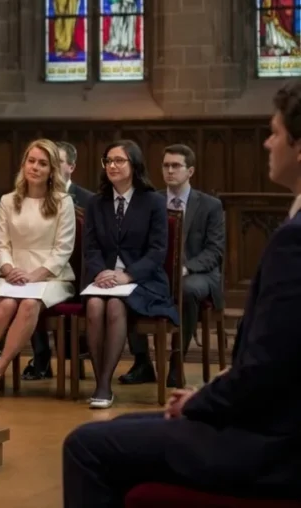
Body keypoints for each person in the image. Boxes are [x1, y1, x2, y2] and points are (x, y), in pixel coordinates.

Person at [62, 82, 301, 506]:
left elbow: (267, 368)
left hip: (274, 445)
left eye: (275, 132)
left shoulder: (293, 240)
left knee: (85, 446)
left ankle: (141, 374)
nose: (267, 142)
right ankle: (112, 378)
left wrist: (201, 403)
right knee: (120, 420)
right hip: (277, 421)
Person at [0, 139, 75, 397]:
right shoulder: (8, 201)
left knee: (30, 303)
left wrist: (35, 275)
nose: (35, 167)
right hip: (14, 274)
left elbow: (63, 249)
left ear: (52, 170)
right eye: (31, 161)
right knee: (7, 305)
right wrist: (9, 268)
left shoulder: (62, 201)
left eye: (42, 163)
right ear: (23, 165)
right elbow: (2, 244)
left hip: (52, 277)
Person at [82, 139, 177, 409]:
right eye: (108, 161)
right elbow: (90, 247)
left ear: (134, 165)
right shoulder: (96, 203)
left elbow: (158, 250)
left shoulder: (153, 201)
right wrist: (100, 272)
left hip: (144, 280)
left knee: (114, 305)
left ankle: (103, 385)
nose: (112, 166)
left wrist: (128, 275)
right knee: (94, 305)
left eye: (119, 160)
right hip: (103, 279)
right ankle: (101, 381)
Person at [122, 144, 224, 388]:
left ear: (190, 171)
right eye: (166, 165)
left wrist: (185, 268)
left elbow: (214, 251)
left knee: (186, 290)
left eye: (176, 166)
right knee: (127, 287)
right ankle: (142, 363)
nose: (169, 170)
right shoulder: (150, 200)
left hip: (198, 273)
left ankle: (177, 362)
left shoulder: (210, 205)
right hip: (157, 271)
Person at [23, 140, 92, 380]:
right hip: (35, 270)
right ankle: (40, 359)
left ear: (70, 167)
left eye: (57, 161)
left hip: (76, 273)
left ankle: (73, 358)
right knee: (28, 292)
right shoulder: (28, 196)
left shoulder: (88, 200)